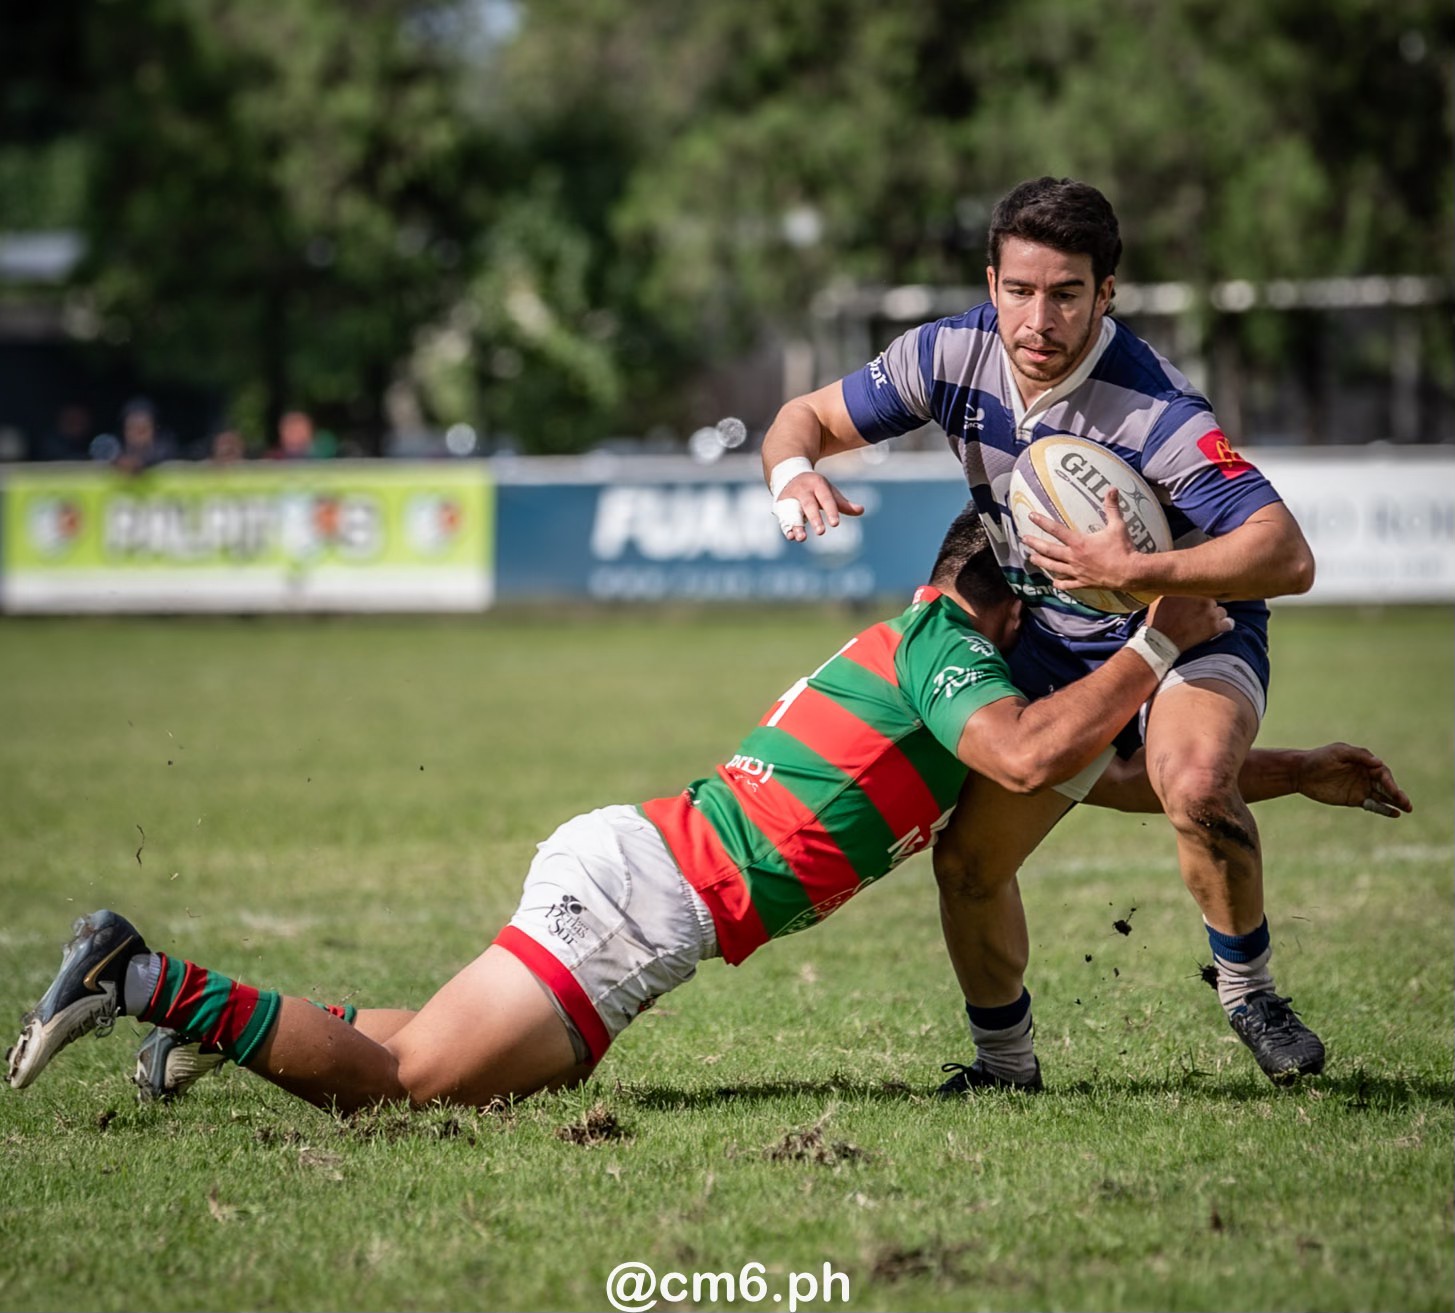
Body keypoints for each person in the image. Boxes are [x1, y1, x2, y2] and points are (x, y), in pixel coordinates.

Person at [6, 511, 1408, 1113]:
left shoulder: (947, 677)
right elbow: (1041, 748)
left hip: (640, 875)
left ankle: (216, 1025)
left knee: (485, 1082)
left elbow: (1089, 774)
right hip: (643, 896)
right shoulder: (939, 650)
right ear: (990, 592)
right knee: (414, 1089)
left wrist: (1290, 769)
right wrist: (1157, 642)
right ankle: (137, 974)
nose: (1066, 622)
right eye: (1050, 599)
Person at [759, 175, 1337, 1089]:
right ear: (990, 283)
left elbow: (1285, 554)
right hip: (1056, 633)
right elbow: (810, 418)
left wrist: (1140, 575)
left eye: (1066, 293)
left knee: (1190, 779)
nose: (1038, 318)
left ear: (1104, 295)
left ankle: (1248, 989)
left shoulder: (1153, 407)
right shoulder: (945, 355)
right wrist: (793, 473)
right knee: (969, 863)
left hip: (1188, 617)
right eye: (1019, 290)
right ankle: (1004, 1066)